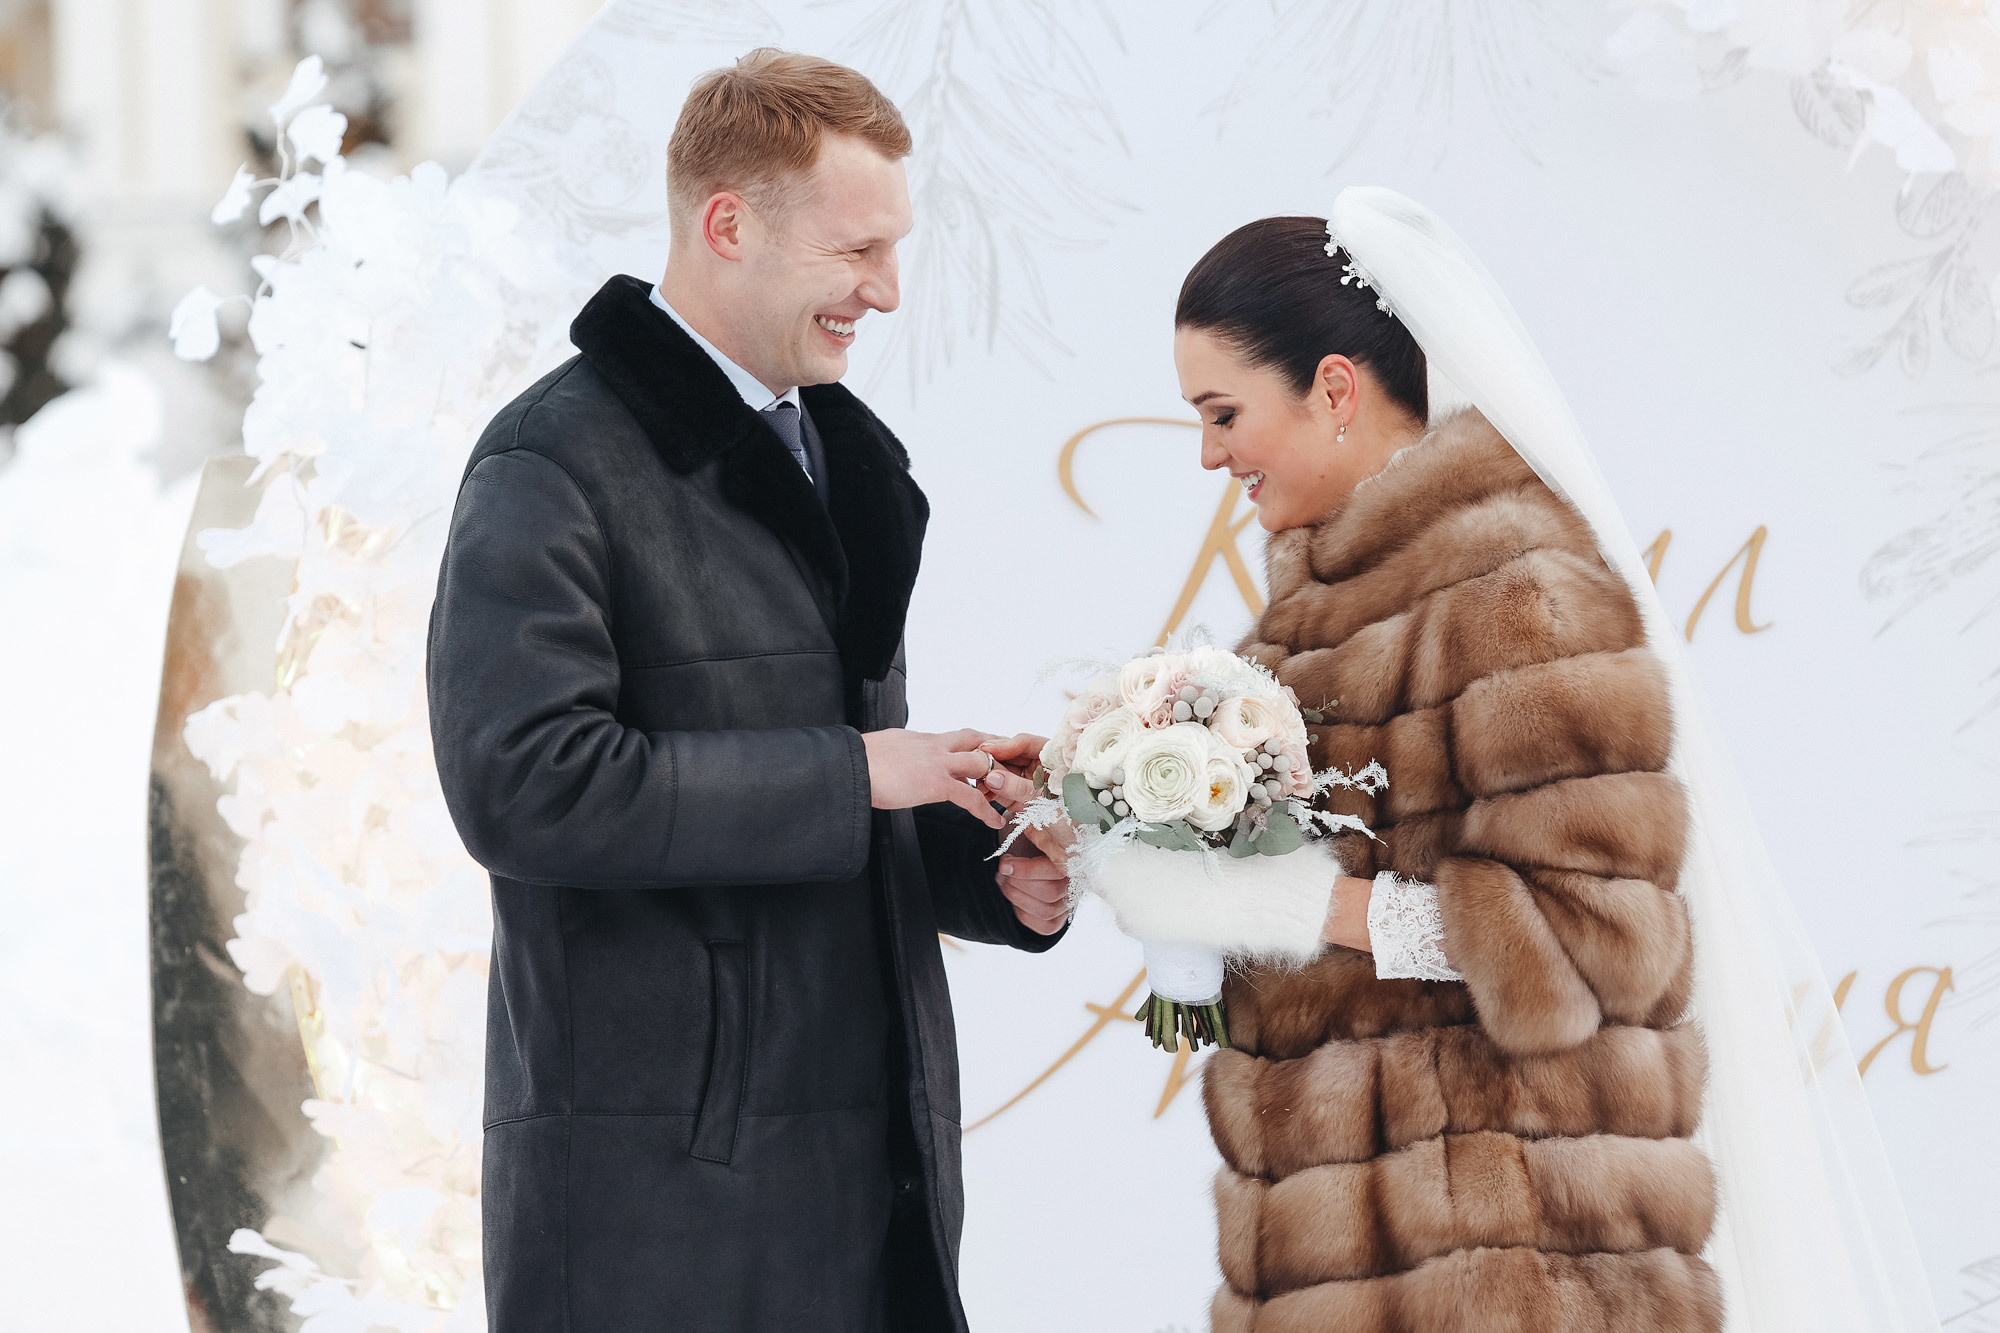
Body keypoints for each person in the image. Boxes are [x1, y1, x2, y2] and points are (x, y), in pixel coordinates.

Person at [1165, 193, 1938, 1333]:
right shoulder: (1295, 629)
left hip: (1514, 1271)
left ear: (1332, 387)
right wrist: (1115, 830)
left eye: (1222, 411)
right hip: (1343, 1269)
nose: (1205, 452)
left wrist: (1299, 900)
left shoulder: (1517, 589)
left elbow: (1591, 939)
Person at [425, 49, 1067, 1333]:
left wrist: (974, 866)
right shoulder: (547, 464)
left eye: (893, 251)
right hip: (653, 1206)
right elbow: (524, 787)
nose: (885, 292)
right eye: (855, 252)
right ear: (727, 225)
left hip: (864, 1174)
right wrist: (862, 771)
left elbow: (810, 789)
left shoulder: (843, 461)